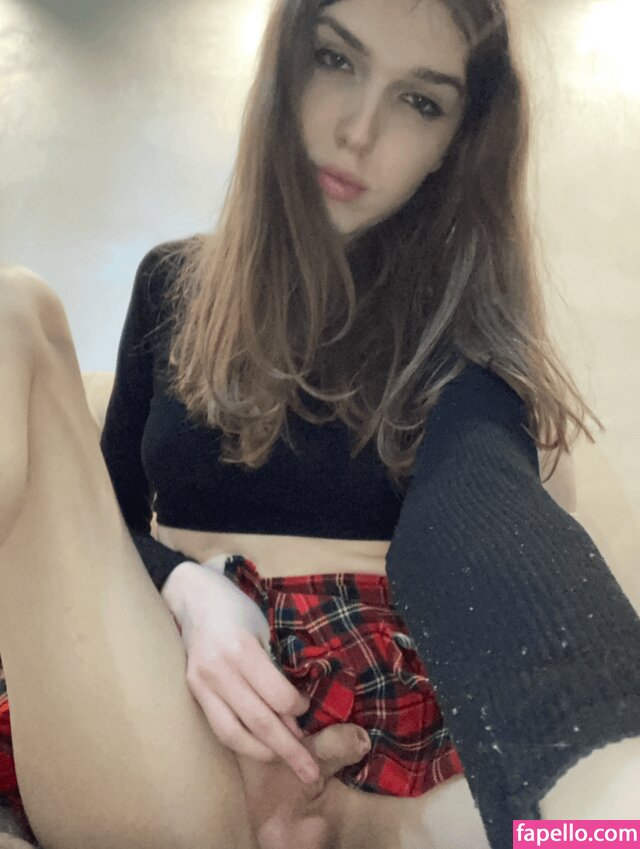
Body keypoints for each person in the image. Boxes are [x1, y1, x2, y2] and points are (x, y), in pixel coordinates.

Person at [1, 0, 639, 848]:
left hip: (363, 729)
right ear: (285, 67)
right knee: (13, 311)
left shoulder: (461, 337)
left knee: (602, 825)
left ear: (455, 144)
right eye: (337, 60)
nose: (358, 132)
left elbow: (486, 516)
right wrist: (189, 591)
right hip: (157, 659)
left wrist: (366, 816)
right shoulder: (170, 285)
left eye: (420, 101)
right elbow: (110, 520)